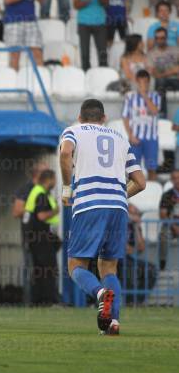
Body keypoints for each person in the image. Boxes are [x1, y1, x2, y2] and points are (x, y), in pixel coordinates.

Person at [60, 98, 146, 335]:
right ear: (104, 118)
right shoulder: (120, 138)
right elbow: (141, 182)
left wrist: (67, 189)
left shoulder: (73, 130)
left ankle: (100, 294)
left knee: (75, 265)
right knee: (109, 268)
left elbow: (66, 153)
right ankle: (112, 323)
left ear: (80, 117)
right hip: (118, 208)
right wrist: (118, 195)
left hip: (89, 204)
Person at [12, 161, 48, 304]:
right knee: (31, 268)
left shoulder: (46, 190)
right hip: (30, 236)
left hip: (45, 237)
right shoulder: (26, 190)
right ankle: (29, 302)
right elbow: (16, 211)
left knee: (45, 270)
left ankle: (45, 300)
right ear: (37, 174)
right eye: (46, 172)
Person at [22, 169, 60, 305]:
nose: (55, 183)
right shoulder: (41, 194)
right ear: (49, 179)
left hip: (36, 238)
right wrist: (55, 211)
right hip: (41, 238)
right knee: (49, 270)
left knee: (39, 271)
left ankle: (38, 300)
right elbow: (41, 215)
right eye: (55, 179)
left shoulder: (36, 192)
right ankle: (50, 300)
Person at [122, 69, 161, 181]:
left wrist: (144, 95)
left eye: (145, 82)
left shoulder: (155, 96)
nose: (142, 85)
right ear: (136, 83)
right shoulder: (129, 97)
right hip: (135, 137)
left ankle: (152, 193)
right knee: (133, 170)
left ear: (149, 83)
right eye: (140, 82)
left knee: (152, 169)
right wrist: (130, 135)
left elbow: (154, 111)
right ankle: (134, 197)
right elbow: (125, 117)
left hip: (151, 138)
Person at [3, 0, 44, 71]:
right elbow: (7, 0)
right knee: (15, 54)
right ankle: (14, 84)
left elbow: (42, 0)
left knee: (37, 52)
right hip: (13, 22)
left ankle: (41, 82)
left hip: (31, 21)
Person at [73, 0, 110, 71]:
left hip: (100, 22)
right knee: (84, 55)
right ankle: (86, 77)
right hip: (83, 23)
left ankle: (103, 78)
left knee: (103, 53)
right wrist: (87, 0)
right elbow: (75, 5)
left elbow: (106, 3)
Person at [146, 27, 179, 117]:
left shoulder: (176, 50)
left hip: (176, 80)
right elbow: (153, 73)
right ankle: (162, 115)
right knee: (160, 83)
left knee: (160, 81)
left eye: (162, 38)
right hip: (161, 82)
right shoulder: (151, 53)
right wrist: (172, 71)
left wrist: (163, 73)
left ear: (166, 38)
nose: (159, 40)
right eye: (157, 38)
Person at [159, 169, 179, 270]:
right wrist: (174, 226)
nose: (177, 180)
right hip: (171, 224)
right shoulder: (167, 195)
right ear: (171, 180)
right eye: (174, 178)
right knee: (163, 236)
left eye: (178, 178)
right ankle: (162, 265)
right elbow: (163, 215)